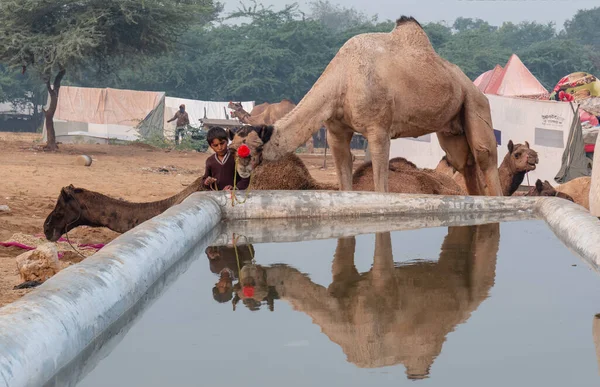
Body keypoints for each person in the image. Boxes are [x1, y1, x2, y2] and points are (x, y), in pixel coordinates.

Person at [202, 126, 250, 190]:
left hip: (235, 196)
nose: (220, 147)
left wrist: (235, 188)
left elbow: (245, 179)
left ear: (227, 141)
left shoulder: (236, 157)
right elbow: (204, 181)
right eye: (216, 145)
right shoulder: (210, 161)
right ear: (211, 146)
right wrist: (207, 182)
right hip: (217, 196)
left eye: (222, 143)